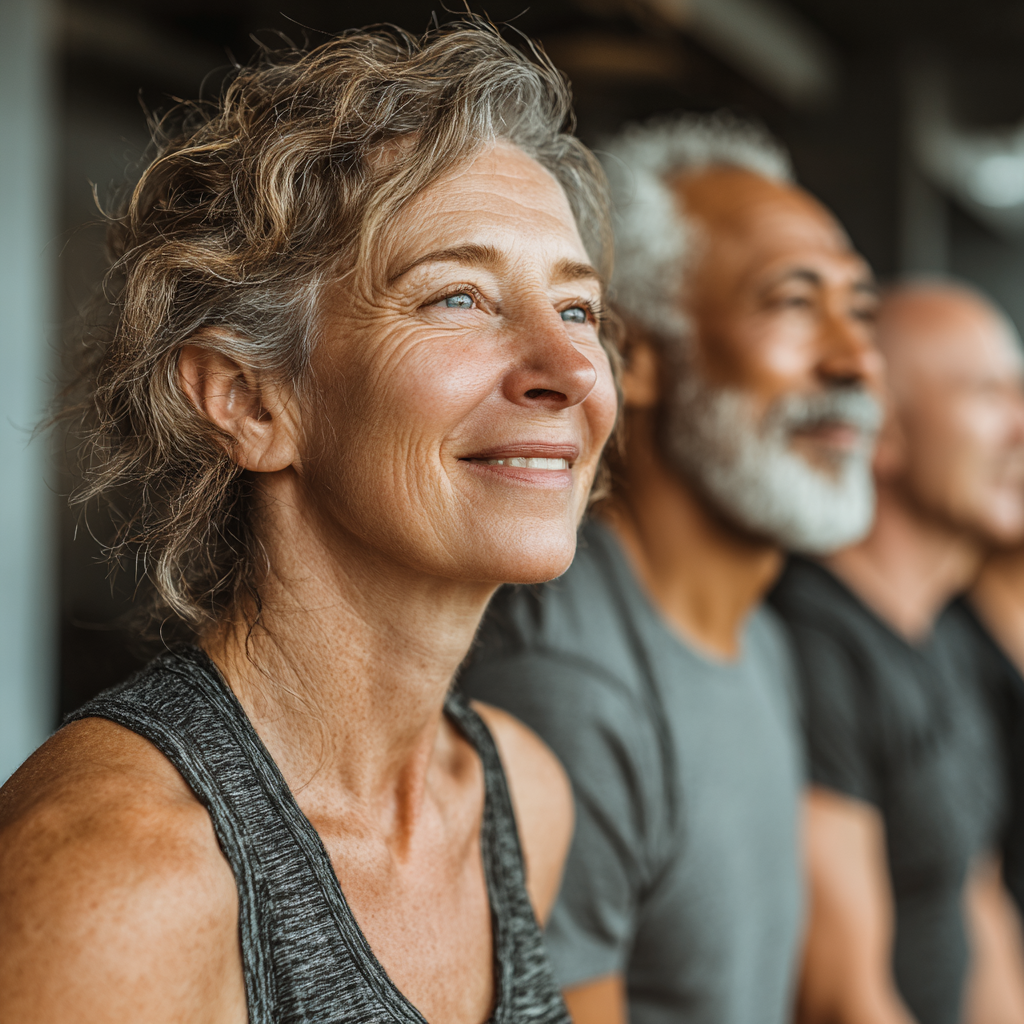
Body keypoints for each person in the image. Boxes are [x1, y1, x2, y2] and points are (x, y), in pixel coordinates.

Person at [0, 22, 620, 1024]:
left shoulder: (517, 795)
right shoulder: (119, 881)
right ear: (250, 402)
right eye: (457, 296)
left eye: (580, 309)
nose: (570, 369)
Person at [459, 113, 884, 1024]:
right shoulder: (569, 688)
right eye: (794, 302)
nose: (856, 360)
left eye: (861, 310)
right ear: (634, 358)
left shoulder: (760, 637)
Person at [770, 280, 1024, 1024]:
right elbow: (842, 998)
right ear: (884, 435)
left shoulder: (945, 633)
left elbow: (977, 902)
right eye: (989, 394)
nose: (1022, 426)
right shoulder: (815, 643)